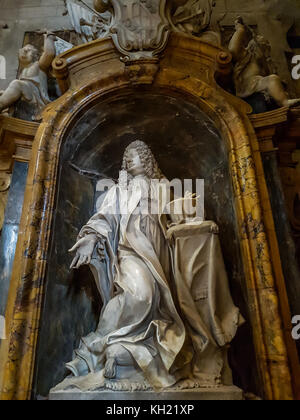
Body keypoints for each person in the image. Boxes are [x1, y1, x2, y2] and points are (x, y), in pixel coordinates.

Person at [229, 17, 300, 108]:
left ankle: (282, 100)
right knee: (272, 79)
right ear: (254, 47)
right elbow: (233, 50)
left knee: (274, 80)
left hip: (259, 85)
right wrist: (240, 30)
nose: (266, 53)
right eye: (263, 49)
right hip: (247, 87)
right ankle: (284, 102)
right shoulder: (246, 55)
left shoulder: (263, 64)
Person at [0, 31, 56, 118]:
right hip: (25, 101)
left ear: (36, 56)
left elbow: (49, 54)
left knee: (17, 84)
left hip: (37, 103)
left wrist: (48, 36)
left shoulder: (39, 65)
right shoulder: (22, 74)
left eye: (29, 50)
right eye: (23, 50)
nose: (25, 51)